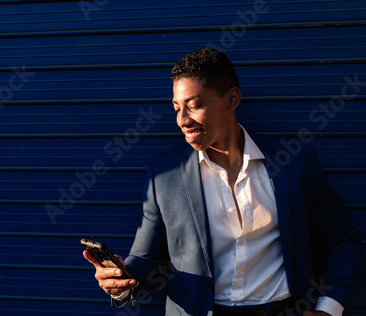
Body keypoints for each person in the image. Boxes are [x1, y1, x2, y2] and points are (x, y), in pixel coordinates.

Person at [83, 48, 361, 316]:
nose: (182, 120)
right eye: (176, 108)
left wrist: (329, 309)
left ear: (231, 100)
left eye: (194, 105)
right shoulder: (165, 174)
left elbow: (343, 238)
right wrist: (120, 280)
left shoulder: (295, 161)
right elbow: (147, 258)